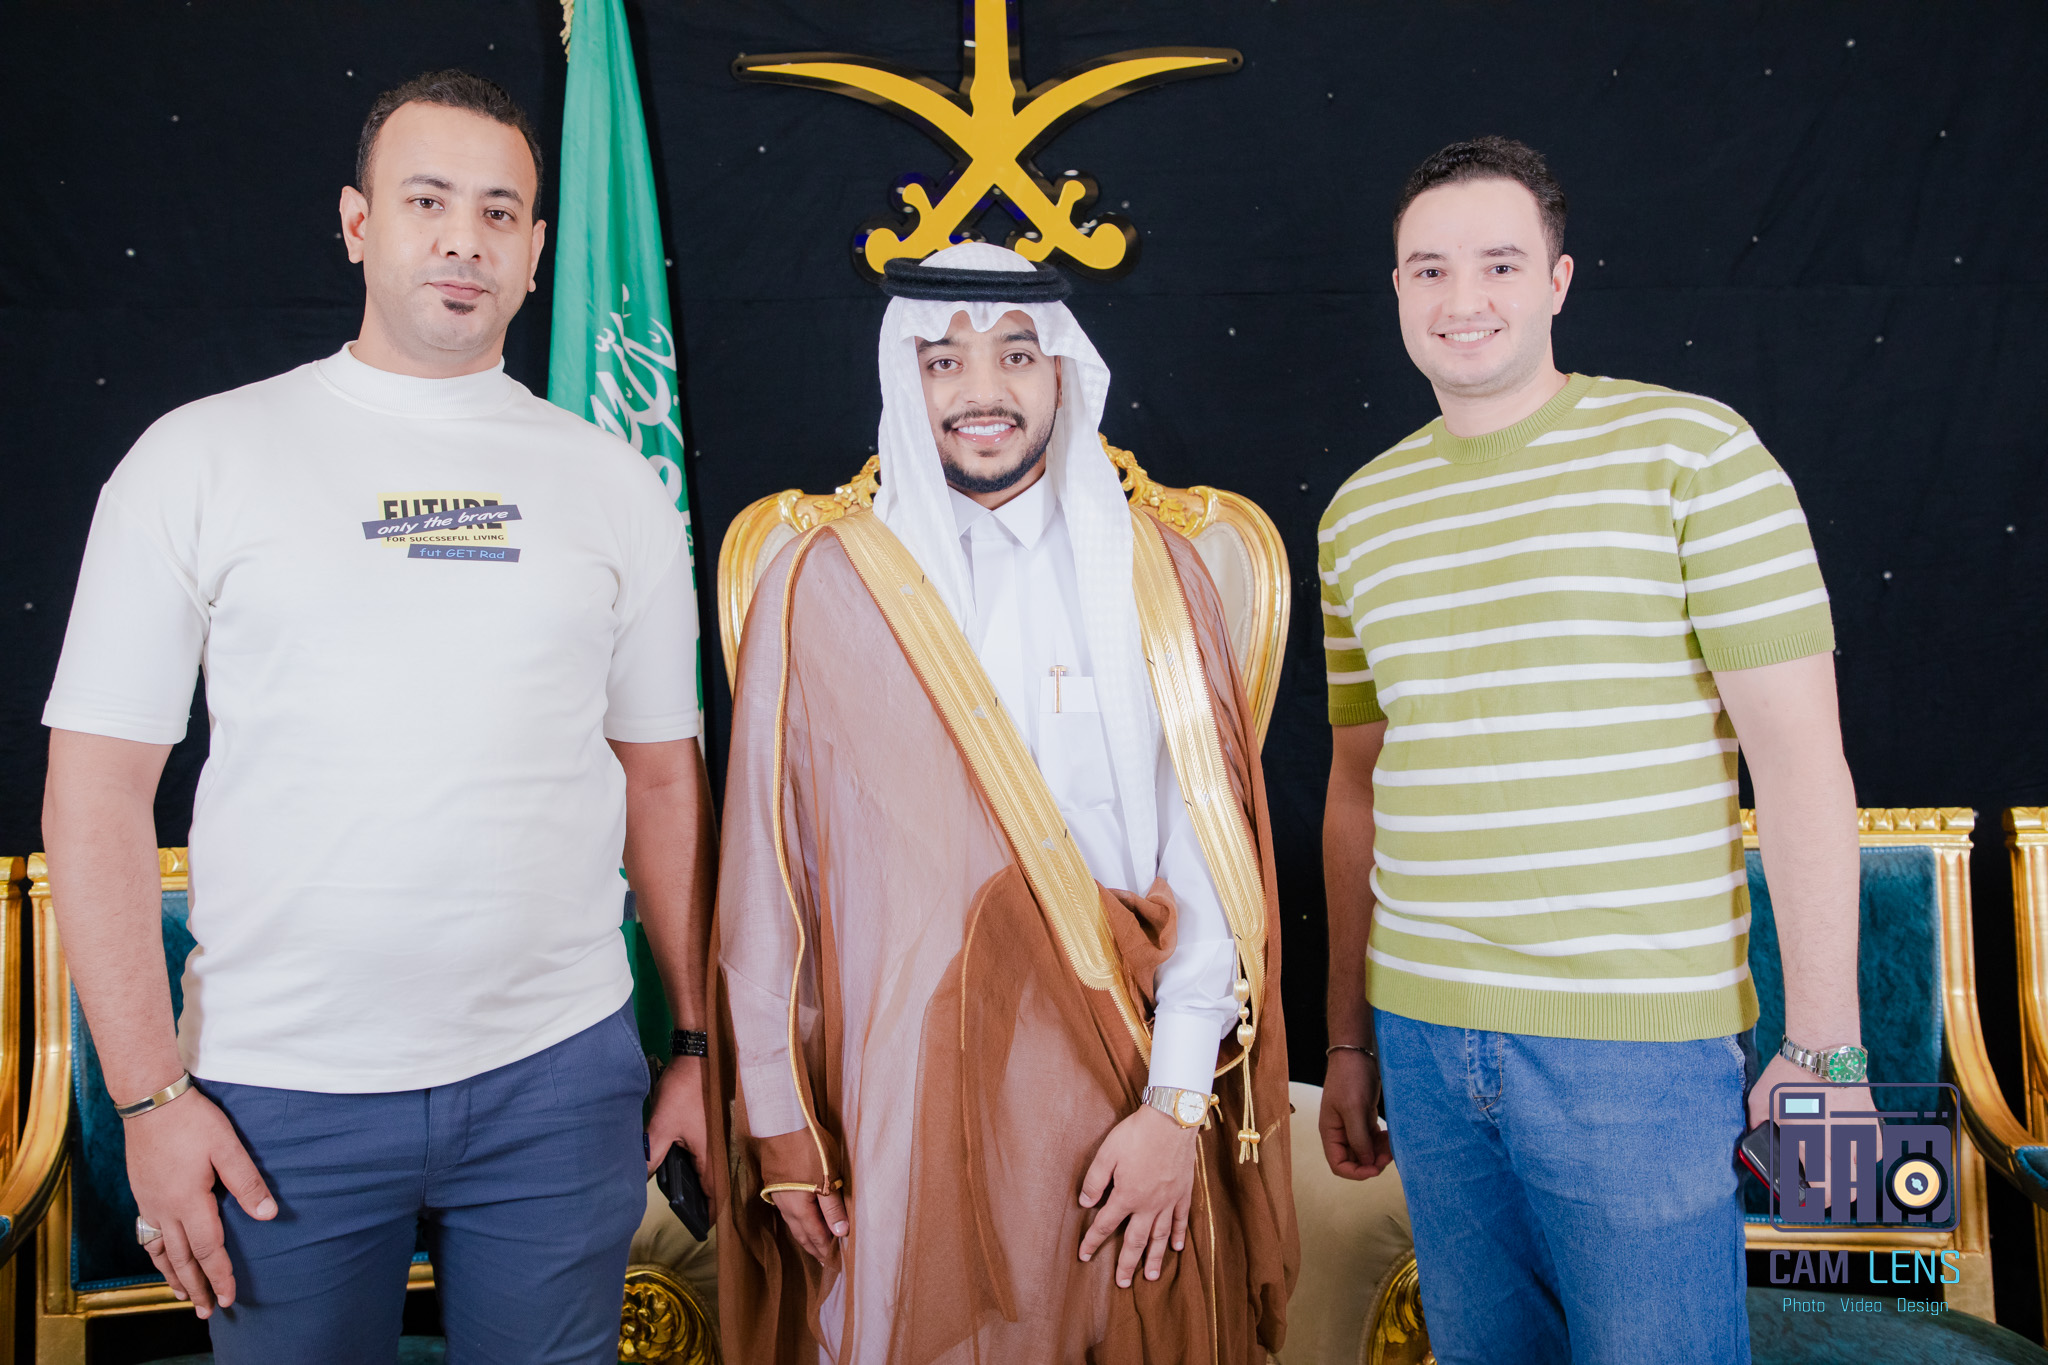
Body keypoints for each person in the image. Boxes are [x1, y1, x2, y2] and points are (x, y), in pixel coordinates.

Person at [39, 70, 713, 1364]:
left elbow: (664, 780)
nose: (465, 239)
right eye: (427, 201)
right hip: (281, 1095)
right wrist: (147, 1098)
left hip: (559, 1085)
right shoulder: (197, 459)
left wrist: (691, 1043)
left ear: (536, 253)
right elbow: (97, 791)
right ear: (358, 224)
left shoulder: (615, 483)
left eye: (500, 213)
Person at [1316, 137, 1866, 1363]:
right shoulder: (1357, 514)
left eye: (1499, 263)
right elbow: (1358, 788)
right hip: (1420, 1031)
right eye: (1428, 270)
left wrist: (1823, 1048)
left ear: (1557, 281)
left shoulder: (1694, 454)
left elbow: (1798, 765)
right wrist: (1346, 1038)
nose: (1461, 299)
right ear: (1396, 288)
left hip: (1635, 1045)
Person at [708, 242, 1297, 1363]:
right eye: (944, 360)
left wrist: (1175, 1106)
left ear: (1063, 371)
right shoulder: (818, 587)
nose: (982, 390)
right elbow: (767, 883)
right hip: (898, 1094)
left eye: (1016, 355)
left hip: (1122, 1082)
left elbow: (1209, 859)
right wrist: (782, 1127)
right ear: (904, 377)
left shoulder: (1156, 577)